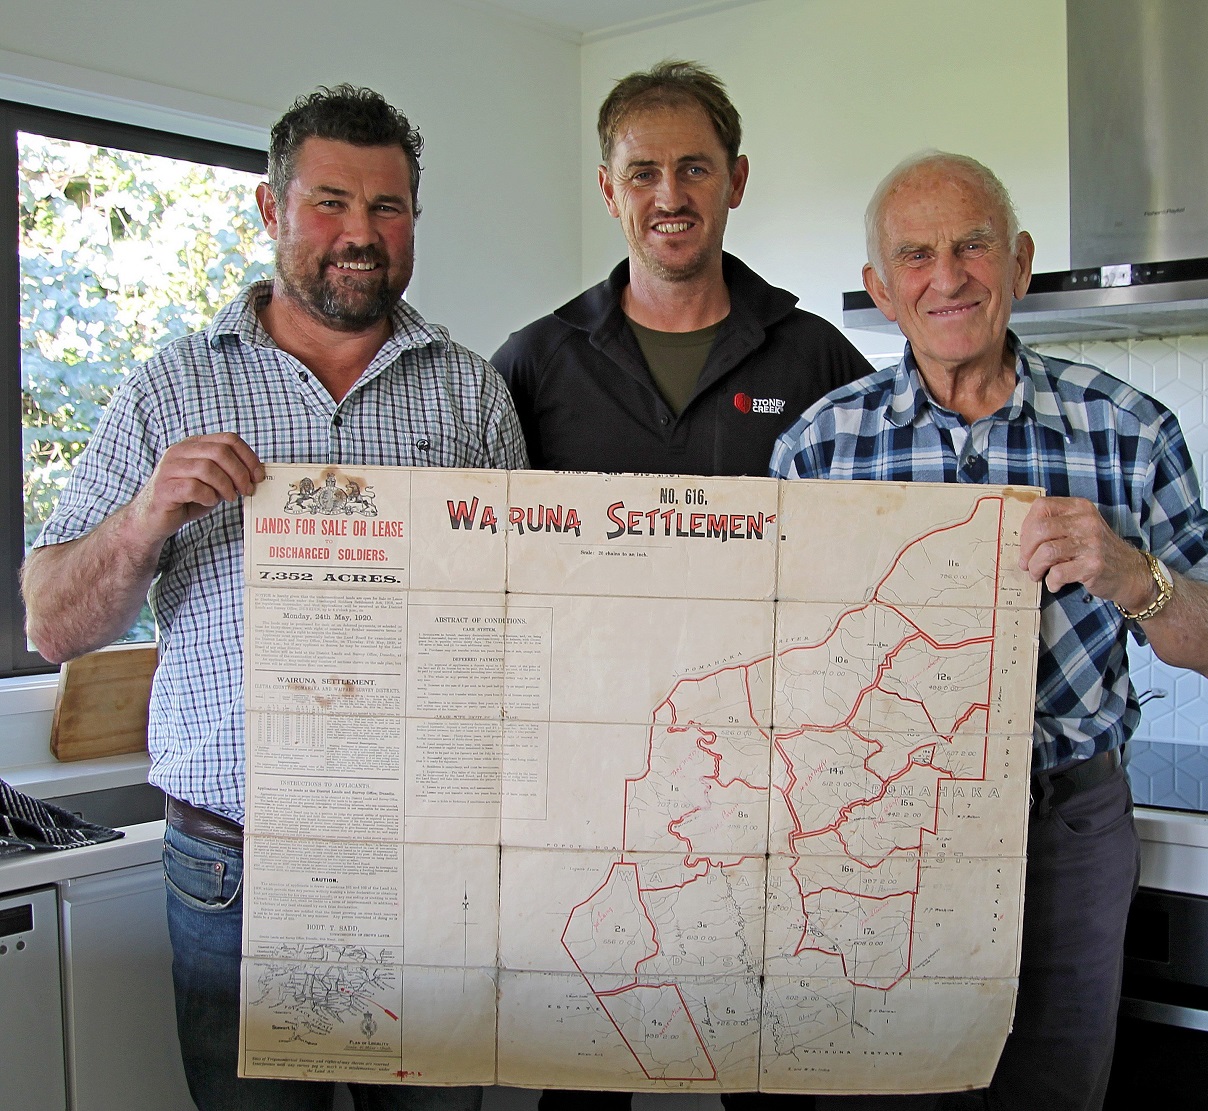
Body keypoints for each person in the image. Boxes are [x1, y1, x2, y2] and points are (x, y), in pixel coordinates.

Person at [22, 85, 526, 1111]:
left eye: (388, 208)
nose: (360, 234)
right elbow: (49, 625)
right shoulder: (169, 388)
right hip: (233, 870)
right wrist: (143, 517)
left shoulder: (472, 394)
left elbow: (522, 618)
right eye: (329, 202)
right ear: (269, 210)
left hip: (426, 863)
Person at [769, 151, 1208, 1111]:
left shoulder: (1127, 429)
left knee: (1053, 1091)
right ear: (878, 287)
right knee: (876, 1090)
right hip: (875, 832)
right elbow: (775, 664)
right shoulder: (818, 447)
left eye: (972, 244)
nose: (946, 276)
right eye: (914, 254)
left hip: (1066, 825)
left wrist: (1133, 576)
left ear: (1021, 261)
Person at [492, 60, 873, 1111]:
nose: (670, 195)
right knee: (584, 1067)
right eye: (644, 171)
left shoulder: (817, 358)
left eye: (694, 167)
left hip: (773, 789)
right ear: (609, 187)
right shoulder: (533, 363)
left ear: (735, 179)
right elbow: (480, 564)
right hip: (590, 785)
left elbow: (875, 553)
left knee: (772, 1066)